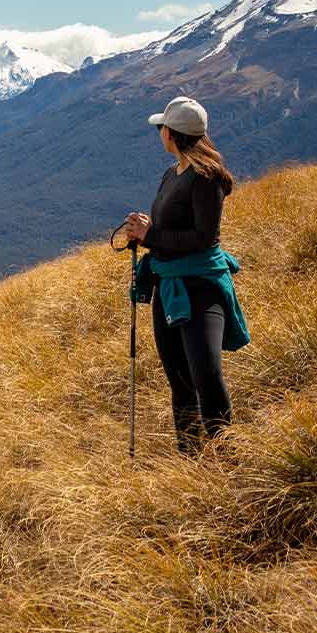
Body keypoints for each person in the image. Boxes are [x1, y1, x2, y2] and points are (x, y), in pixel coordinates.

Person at [121, 96, 249, 454]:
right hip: (169, 286)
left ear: (172, 134)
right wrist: (147, 231)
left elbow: (203, 238)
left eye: (162, 127)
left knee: (205, 376)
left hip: (200, 288)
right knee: (180, 379)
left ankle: (225, 456)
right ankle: (191, 457)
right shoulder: (172, 174)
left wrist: (152, 236)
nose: (159, 132)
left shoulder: (206, 178)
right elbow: (174, 230)